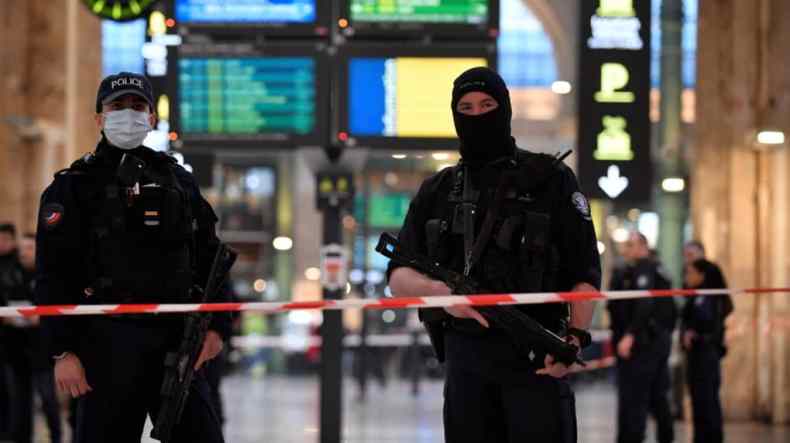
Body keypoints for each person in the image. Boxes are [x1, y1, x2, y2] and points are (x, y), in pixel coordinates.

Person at [387, 67, 601, 442]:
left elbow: (584, 271)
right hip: (465, 365)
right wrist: (443, 295)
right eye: (466, 108)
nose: (477, 116)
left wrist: (575, 337)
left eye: (487, 105)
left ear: (505, 108)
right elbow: (398, 277)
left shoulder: (551, 179)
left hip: (537, 357)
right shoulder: (437, 190)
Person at [34, 72, 229, 443]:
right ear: (99, 118)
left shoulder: (178, 180)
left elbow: (211, 256)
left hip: (178, 341)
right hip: (106, 345)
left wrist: (219, 326)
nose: (128, 113)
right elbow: (52, 273)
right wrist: (62, 351)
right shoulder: (73, 185)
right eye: (117, 106)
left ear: (151, 117)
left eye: (138, 106)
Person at [607, 232, 677, 443]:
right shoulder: (650, 270)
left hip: (643, 346)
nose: (626, 249)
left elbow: (644, 305)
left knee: (635, 399)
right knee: (657, 397)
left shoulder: (645, 269)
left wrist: (629, 336)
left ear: (643, 247)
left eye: (630, 245)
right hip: (653, 344)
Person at [682, 259, 733, 443]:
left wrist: (693, 333)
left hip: (706, 354)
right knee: (698, 400)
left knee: (707, 400)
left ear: (701, 275)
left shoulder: (709, 298)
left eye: (690, 273)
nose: (687, 277)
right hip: (698, 355)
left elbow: (708, 325)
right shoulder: (697, 296)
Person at [0, 222, 24, 441]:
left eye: (6, 239)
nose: (2, 243)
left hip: (19, 339)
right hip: (5, 337)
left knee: (16, 391)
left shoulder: (20, 264)